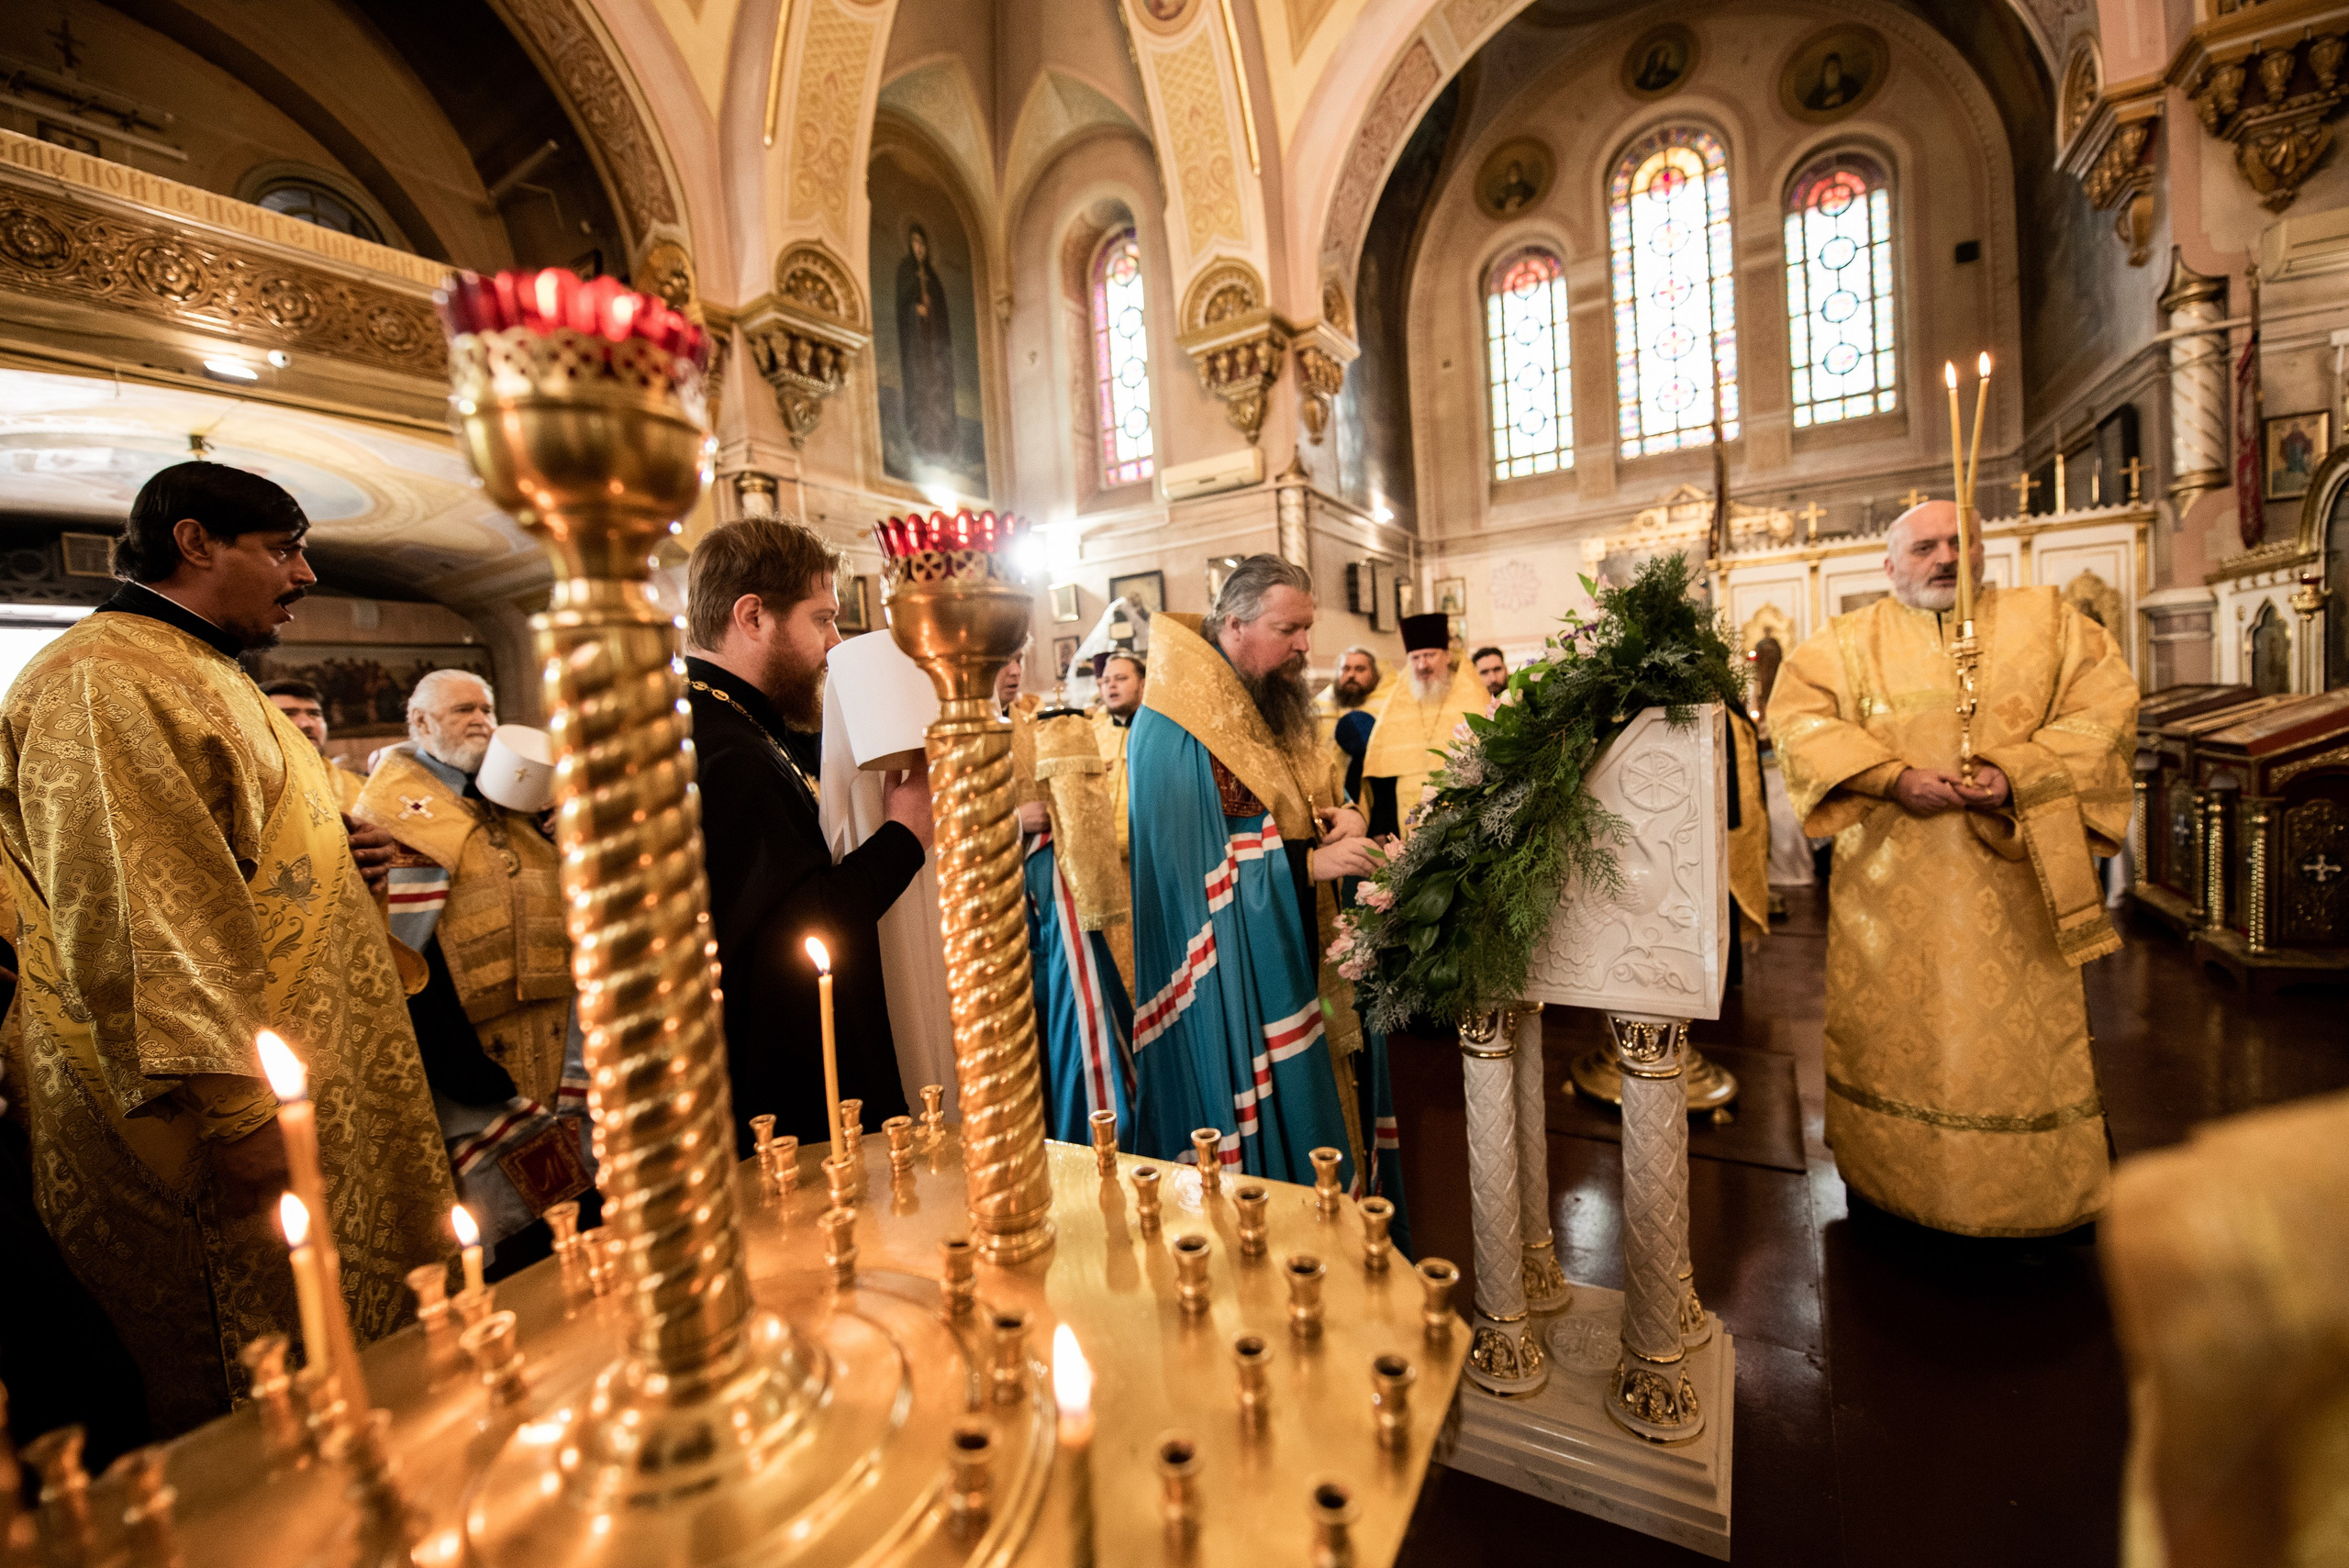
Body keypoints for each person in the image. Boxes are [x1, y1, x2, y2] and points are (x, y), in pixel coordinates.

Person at [0, 462, 451, 1436]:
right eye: (284, 549)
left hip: (285, 1082)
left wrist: (348, 848)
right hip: (212, 1120)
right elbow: (136, 912)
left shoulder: (194, 669)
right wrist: (239, 1109)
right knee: (259, 1395)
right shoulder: (104, 680)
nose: (308, 574)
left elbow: (250, 851)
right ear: (196, 542)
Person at [1771, 500, 2138, 1237]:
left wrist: (2014, 771)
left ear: (1981, 550)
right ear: (1890, 565)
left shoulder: (2053, 621)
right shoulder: (1846, 640)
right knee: (1898, 1042)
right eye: (1925, 547)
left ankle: (2034, 1196)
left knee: (2016, 1049)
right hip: (1890, 890)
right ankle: (1889, 1181)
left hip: (2016, 888)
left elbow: (2105, 710)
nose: (1944, 558)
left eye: (1959, 542)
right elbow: (1800, 721)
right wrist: (1890, 777)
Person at [1123, 555, 1406, 1230]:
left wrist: (1350, 815)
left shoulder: (1266, 694)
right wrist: (1308, 865)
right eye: (1291, 628)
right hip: (1239, 990)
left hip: (1309, 949)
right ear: (1235, 624)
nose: (1306, 645)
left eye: (1307, 628)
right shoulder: (1172, 730)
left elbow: (1311, 791)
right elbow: (1194, 877)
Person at [683, 519, 933, 1151]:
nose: (834, 643)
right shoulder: (728, 752)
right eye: (821, 618)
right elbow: (803, 932)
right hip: (783, 1094)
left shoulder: (725, 722)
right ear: (753, 616)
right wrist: (906, 831)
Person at [352, 671, 592, 1279]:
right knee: (513, 1245)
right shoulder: (388, 813)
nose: (482, 718)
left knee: (588, 1217)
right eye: (463, 709)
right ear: (421, 722)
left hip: (560, 1034)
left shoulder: (523, 800)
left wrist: (574, 838)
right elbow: (393, 948)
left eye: (487, 706)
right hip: (470, 1055)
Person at [1013, 677, 1134, 1143]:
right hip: (1025, 891)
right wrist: (1014, 821)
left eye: (1017, 661)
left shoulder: (1046, 724)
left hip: (1067, 881)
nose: (1012, 671)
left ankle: (1098, 1129)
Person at [1359, 613, 1488, 838]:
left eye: (1430, 655)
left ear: (1447, 656)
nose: (1422, 665)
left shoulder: (1472, 697)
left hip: (1462, 809)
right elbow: (1383, 774)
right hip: (1405, 813)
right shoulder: (1397, 702)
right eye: (1415, 657)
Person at [1091, 652, 1145, 992]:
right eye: (1106, 679)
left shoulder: (1159, 731)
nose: (1111, 684)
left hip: (1147, 865)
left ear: (1143, 683)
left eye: (1121, 678)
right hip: (1102, 868)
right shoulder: (1088, 732)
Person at [262, 678, 366, 808]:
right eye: (288, 714)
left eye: (314, 714)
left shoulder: (363, 788)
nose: (307, 724)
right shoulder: (249, 789)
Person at [1320, 645, 1386, 806]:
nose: (1351, 675)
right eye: (1346, 669)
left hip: (1374, 796)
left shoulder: (1386, 707)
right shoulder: (1319, 707)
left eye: (1360, 669)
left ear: (1375, 675)